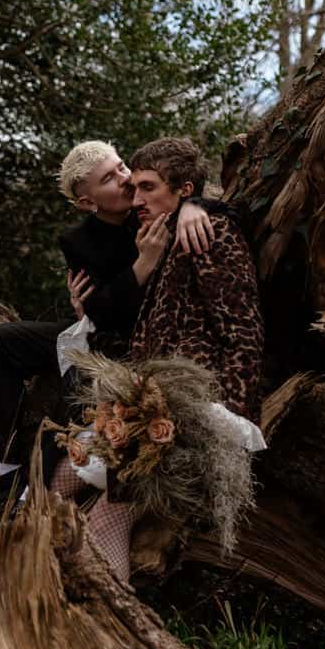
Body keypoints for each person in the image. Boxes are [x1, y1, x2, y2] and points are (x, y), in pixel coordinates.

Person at [51, 136, 264, 577]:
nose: (135, 195)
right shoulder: (160, 235)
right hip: (143, 401)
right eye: (136, 184)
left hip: (188, 412)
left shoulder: (208, 231)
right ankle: (38, 570)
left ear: (183, 191)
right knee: (61, 478)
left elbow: (242, 331)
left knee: (110, 516)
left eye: (147, 187)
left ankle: (109, 623)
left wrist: (231, 417)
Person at [0, 140, 216, 501]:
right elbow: (97, 310)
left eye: (121, 167)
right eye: (109, 179)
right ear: (87, 202)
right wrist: (142, 264)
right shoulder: (78, 241)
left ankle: (38, 487)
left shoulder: (151, 205)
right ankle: (2, 468)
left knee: (80, 375)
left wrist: (194, 205)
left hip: (137, 339)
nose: (126, 180)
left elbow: (207, 198)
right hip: (91, 328)